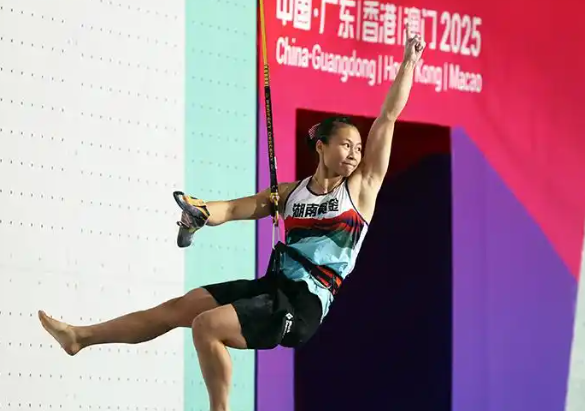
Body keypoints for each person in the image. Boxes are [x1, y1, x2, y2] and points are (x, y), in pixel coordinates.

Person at [38, 28, 426, 411]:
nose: (355, 153)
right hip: (271, 287)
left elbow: (388, 117)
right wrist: (201, 211)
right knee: (179, 308)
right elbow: (232, 209)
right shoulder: (289, 194)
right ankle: (80, 337)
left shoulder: (360, 191)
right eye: (346, 144)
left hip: (303, 303)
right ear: (321, 147)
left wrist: (409, 62)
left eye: (359, 147)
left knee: (207, 326)